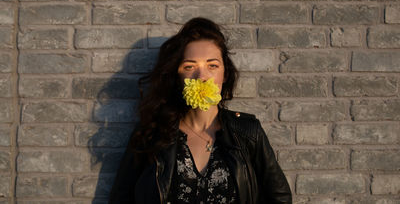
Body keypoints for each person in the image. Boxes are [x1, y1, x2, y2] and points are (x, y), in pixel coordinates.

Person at [108, 17, 292, 204]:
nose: (202, 76)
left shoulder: (247, 133)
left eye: (212, 66)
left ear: (225, 74)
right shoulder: (152, 133)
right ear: (177, 76)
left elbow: (280, 198)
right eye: (190, 66)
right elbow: (120, 198)